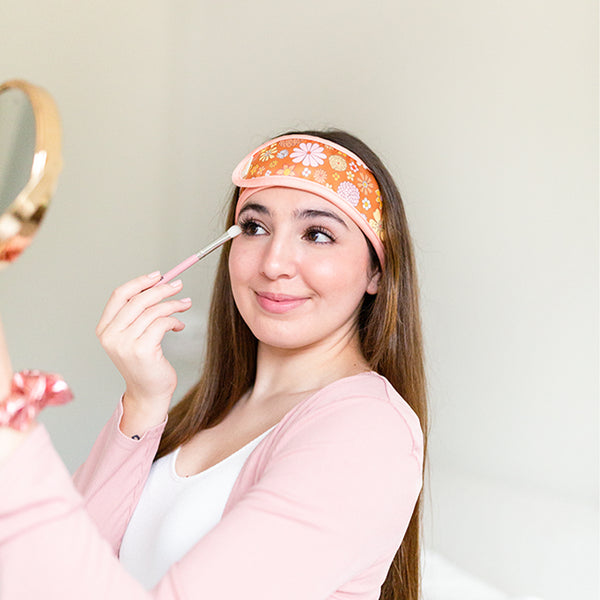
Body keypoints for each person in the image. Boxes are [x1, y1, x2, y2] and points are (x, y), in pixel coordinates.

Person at [0, 129, 428, 600]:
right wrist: (142, 404)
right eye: (254, 227)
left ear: (377, 272)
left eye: (317, 234)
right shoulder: (212, 409)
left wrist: (11, 427)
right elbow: (56, 578)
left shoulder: (367, 431)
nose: (274, 263)